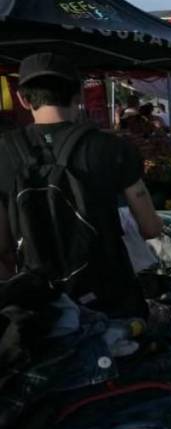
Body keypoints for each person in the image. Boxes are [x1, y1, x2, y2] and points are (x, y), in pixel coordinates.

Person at [0, 52, 162, 317]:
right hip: (112, 296)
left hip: (40, 305)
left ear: (23, 98)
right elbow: (150, 227)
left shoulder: (4, 151)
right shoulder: (112, 148)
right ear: (79, 95)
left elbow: (2, 247)